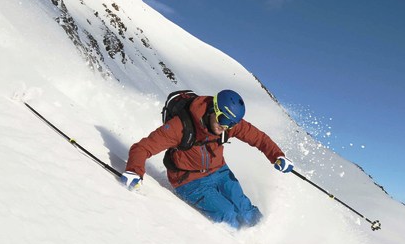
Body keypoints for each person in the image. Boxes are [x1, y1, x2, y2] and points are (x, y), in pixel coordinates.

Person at [121, 89, 294, 228]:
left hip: (220, 171)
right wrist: (134, 171)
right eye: (223, 120)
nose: (225, 127)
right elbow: (142, 148)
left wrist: (277, 156)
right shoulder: (180, 127)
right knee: (227, 214)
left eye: (231, 124)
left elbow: (259, 138)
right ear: (213, 110)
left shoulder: (228, 124)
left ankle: (265, 242)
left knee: (245, 209)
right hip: (190, 180)